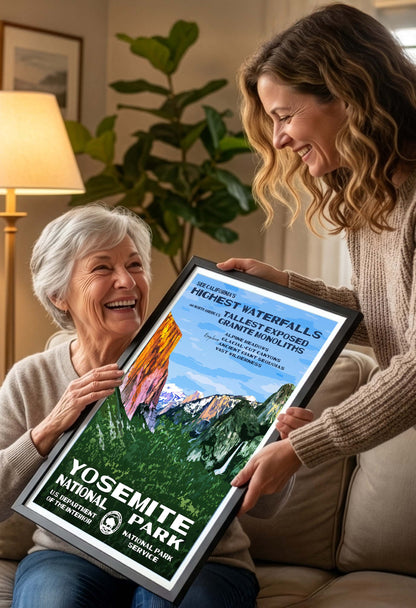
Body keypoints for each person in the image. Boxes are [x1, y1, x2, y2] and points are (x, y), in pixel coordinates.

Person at [1, 203, 311, 608]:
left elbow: (265, 509)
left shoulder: (203, 363)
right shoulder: (31, 377)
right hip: (69, 556)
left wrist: (285, 447)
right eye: (102, 269)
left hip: (202, 561)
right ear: (59, 295)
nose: (126, 281)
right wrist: (50, 427)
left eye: (134, 265)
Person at [217, 2, 416, 514]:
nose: (279, 139)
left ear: (348, 96)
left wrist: (303, 448)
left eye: (285, 116)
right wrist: (286, 288)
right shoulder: (374, 192)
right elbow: (393, 317)